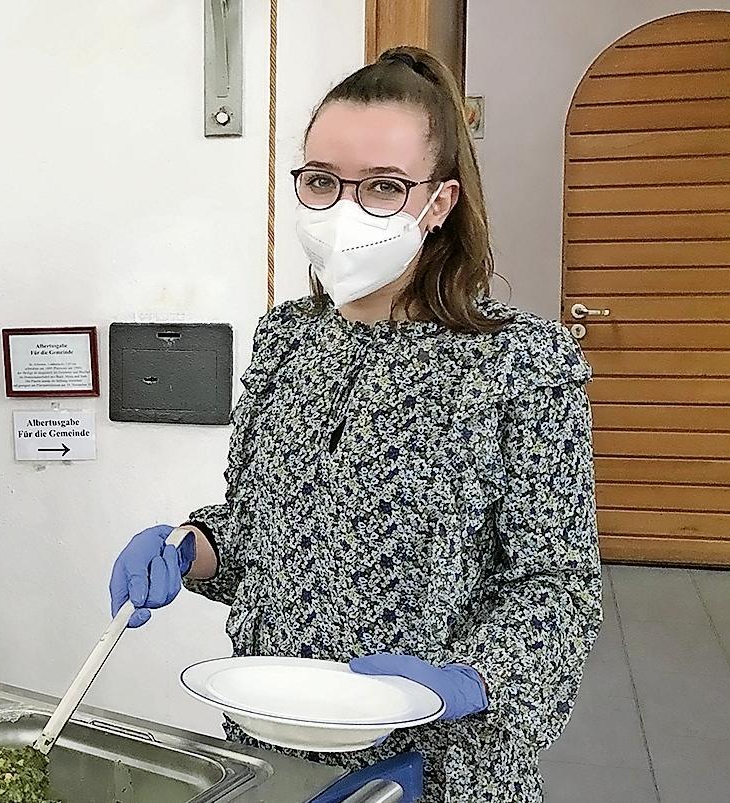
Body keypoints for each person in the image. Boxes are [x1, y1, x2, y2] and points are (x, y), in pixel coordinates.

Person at [108, 47, 600, 801]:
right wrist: (190, 548)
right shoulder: (285, 340)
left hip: (442, 768)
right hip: (274, 748)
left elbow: (556, 587)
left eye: (382, 188)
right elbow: (258, 534)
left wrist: (466, 680)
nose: (342, 209)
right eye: (322, 181)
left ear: (438, 205)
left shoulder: (522, 362)